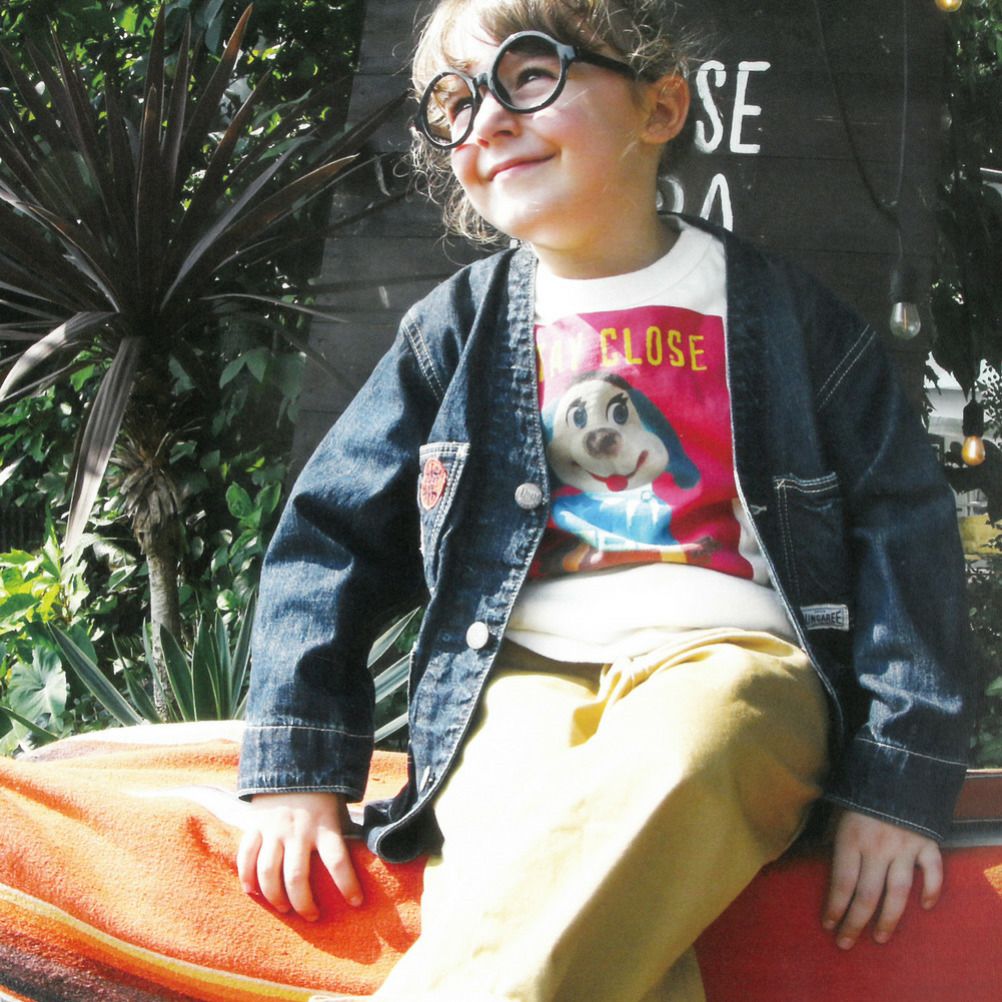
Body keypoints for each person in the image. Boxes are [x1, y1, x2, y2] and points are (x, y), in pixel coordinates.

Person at [235, 1, 973, 999]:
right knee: (512, 847)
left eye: (529, 74)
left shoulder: (789, 318)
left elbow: (904, 529)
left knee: (699, 740)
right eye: (454, 103)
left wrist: (896, 780)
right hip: (519, 677)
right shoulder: (455, 328)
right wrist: (297, 761)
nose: (488, 120)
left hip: (733, 661)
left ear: (660, 107)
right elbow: (329, 535)